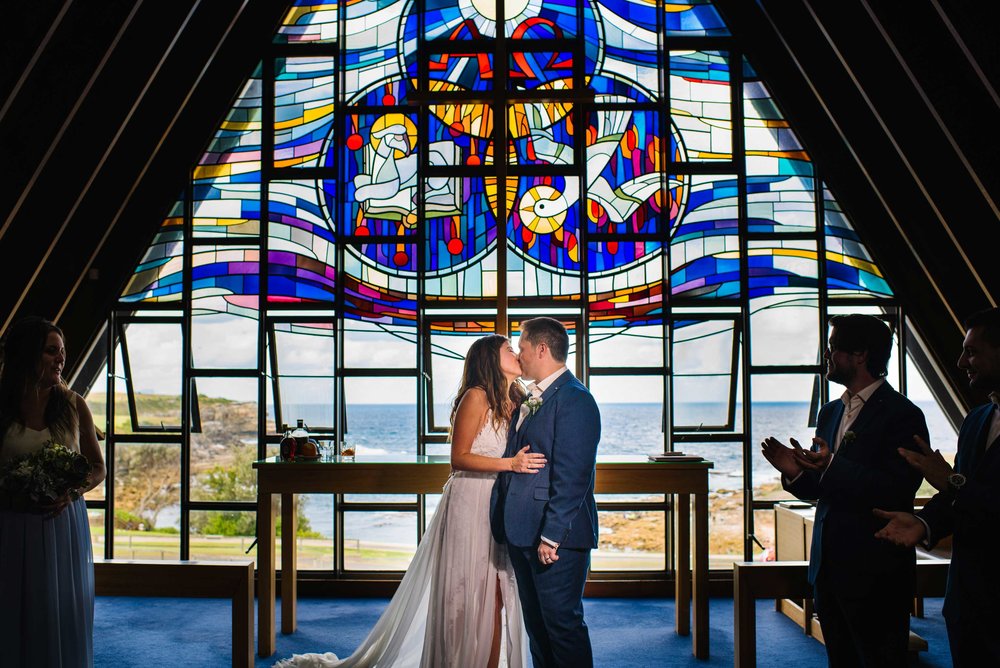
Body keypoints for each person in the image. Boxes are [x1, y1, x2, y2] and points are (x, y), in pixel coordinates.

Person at [275, 334, 542, 667]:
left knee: (499, 595)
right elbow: (458, 458)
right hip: (470, 501)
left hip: (500, 504)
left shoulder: (517, 398)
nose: (516, 353)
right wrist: (510, 463)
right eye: (508, 349)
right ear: (489, 358)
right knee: (465, 594)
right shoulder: (475, 397)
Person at [761, 314, 927, 667]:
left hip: (876, 571)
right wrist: (794, 474)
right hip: (828, 568)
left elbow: (896, 488)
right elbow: (823, 488)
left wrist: (833, 466)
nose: (826, 354)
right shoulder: (830, 411)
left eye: (833, 347)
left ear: (860, 355)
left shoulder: (903, 415)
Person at [874, 307, 1000, 666]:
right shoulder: (977, 419)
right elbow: (955, 495)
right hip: (968, 600)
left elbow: (959, 485)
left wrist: (951, 479)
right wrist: (924, 523)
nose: (961, 362)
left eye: (972, 352)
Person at [491, 317, 602, 668]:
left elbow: (572, 477)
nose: (519, 355)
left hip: (555, 540)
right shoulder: (536, 396)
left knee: (562, 627)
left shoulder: (574, 399)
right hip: (524, 532)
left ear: (540, 348)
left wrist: (552, 537)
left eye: (521, 347)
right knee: (538, 629)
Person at [0, 316, 107, 667]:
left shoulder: (75, 405)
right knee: (12, 609)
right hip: (10, 522)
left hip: (62, 521)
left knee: (57, 608)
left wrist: (71, 491)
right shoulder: (2, 406)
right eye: (51, 351)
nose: (60, 359)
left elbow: (97, 467)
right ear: (26, 355)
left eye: (62, 352)